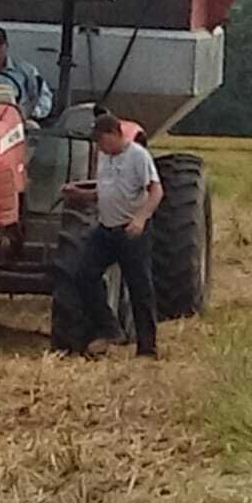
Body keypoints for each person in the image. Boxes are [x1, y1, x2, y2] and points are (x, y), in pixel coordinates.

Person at [61, 113, 162, 358]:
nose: (101, 147)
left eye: (104, 141)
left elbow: (156, 191)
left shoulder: (138, 156)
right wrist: (78, 194)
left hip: (131, 231)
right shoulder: (105, 157)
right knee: (83, 275)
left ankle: (147, 348)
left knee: (140, 287)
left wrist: (140, 218)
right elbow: (105, 190)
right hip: (106, 230)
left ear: (116, 134)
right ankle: (109, 328)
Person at [0, 26, 54, 120]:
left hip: (20, 120)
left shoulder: (27, 71)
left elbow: (43, 94)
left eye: (0, 43)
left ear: (6, 45)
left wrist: (34, 113)